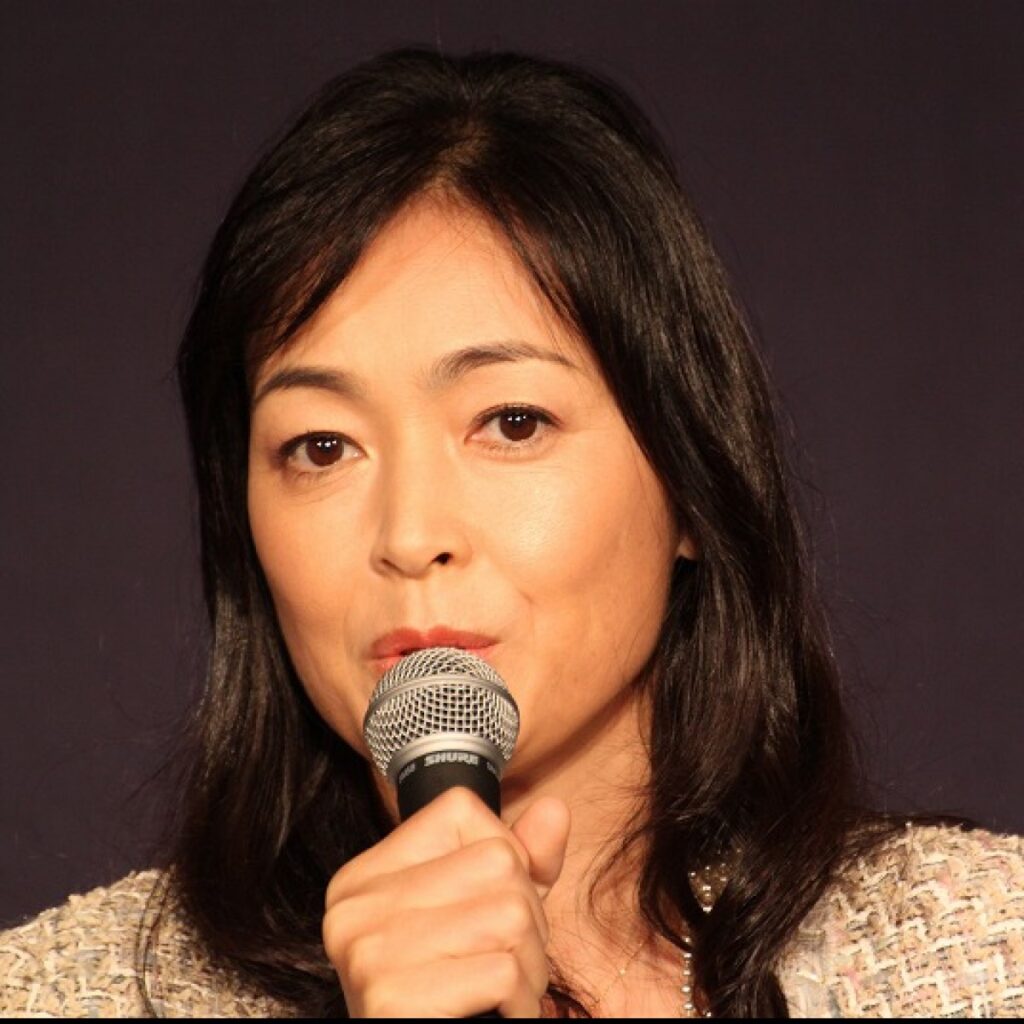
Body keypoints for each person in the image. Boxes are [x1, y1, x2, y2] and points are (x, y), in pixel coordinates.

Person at [1, 47, 1021, 1019]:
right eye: (322, 446)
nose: (411, 535)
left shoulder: (979, 954)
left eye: (512, 423)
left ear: (690, 481)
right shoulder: (58, 992)